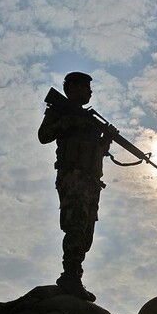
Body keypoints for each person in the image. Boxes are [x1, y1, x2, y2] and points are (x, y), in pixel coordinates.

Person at [38, 72, 114, 302]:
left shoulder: (90, 120)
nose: (90, 92)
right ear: (71, 87)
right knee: (75, 226)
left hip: (91, 181)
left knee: (86, 232)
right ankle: (70, 276)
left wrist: (106, 139)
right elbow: (44, 135)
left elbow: (97, 151)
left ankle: (74, 276)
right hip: (73, 177)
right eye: (85, 87)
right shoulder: (60, 110)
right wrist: (70, 121)